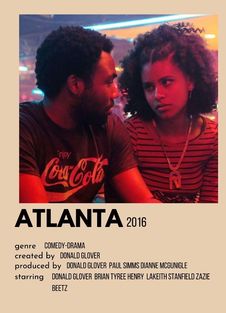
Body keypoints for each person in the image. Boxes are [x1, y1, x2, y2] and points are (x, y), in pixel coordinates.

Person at [20, 25, 160, 203]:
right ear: (76, 85)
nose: (116, 93)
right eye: (108, 82)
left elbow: (144, 201)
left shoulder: (109, 127)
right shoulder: (23, 130)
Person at [119, 23, 218, 203]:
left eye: (166, 82)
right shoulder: (132, 133)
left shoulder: (212, 137)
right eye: (149, 87)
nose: (158, 95)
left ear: (190, 81)